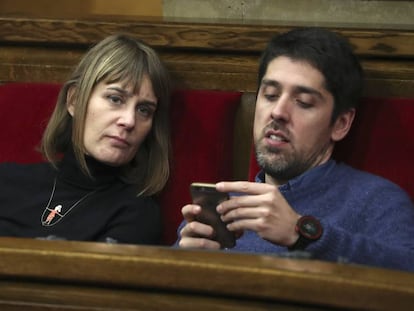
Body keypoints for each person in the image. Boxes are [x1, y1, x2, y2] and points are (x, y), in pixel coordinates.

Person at [176, 27, 414, 272]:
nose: (278, 112)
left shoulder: (378, 201)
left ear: (341, 124)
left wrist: (302, 232)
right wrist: (180, 265)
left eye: (303, 102)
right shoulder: (222, 208)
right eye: (270, 95)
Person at [0, 34, 171, 244]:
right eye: (115, 99)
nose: (129, 121)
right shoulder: (7, 179)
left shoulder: (137, 213)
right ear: (74, 100)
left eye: (144, 110)